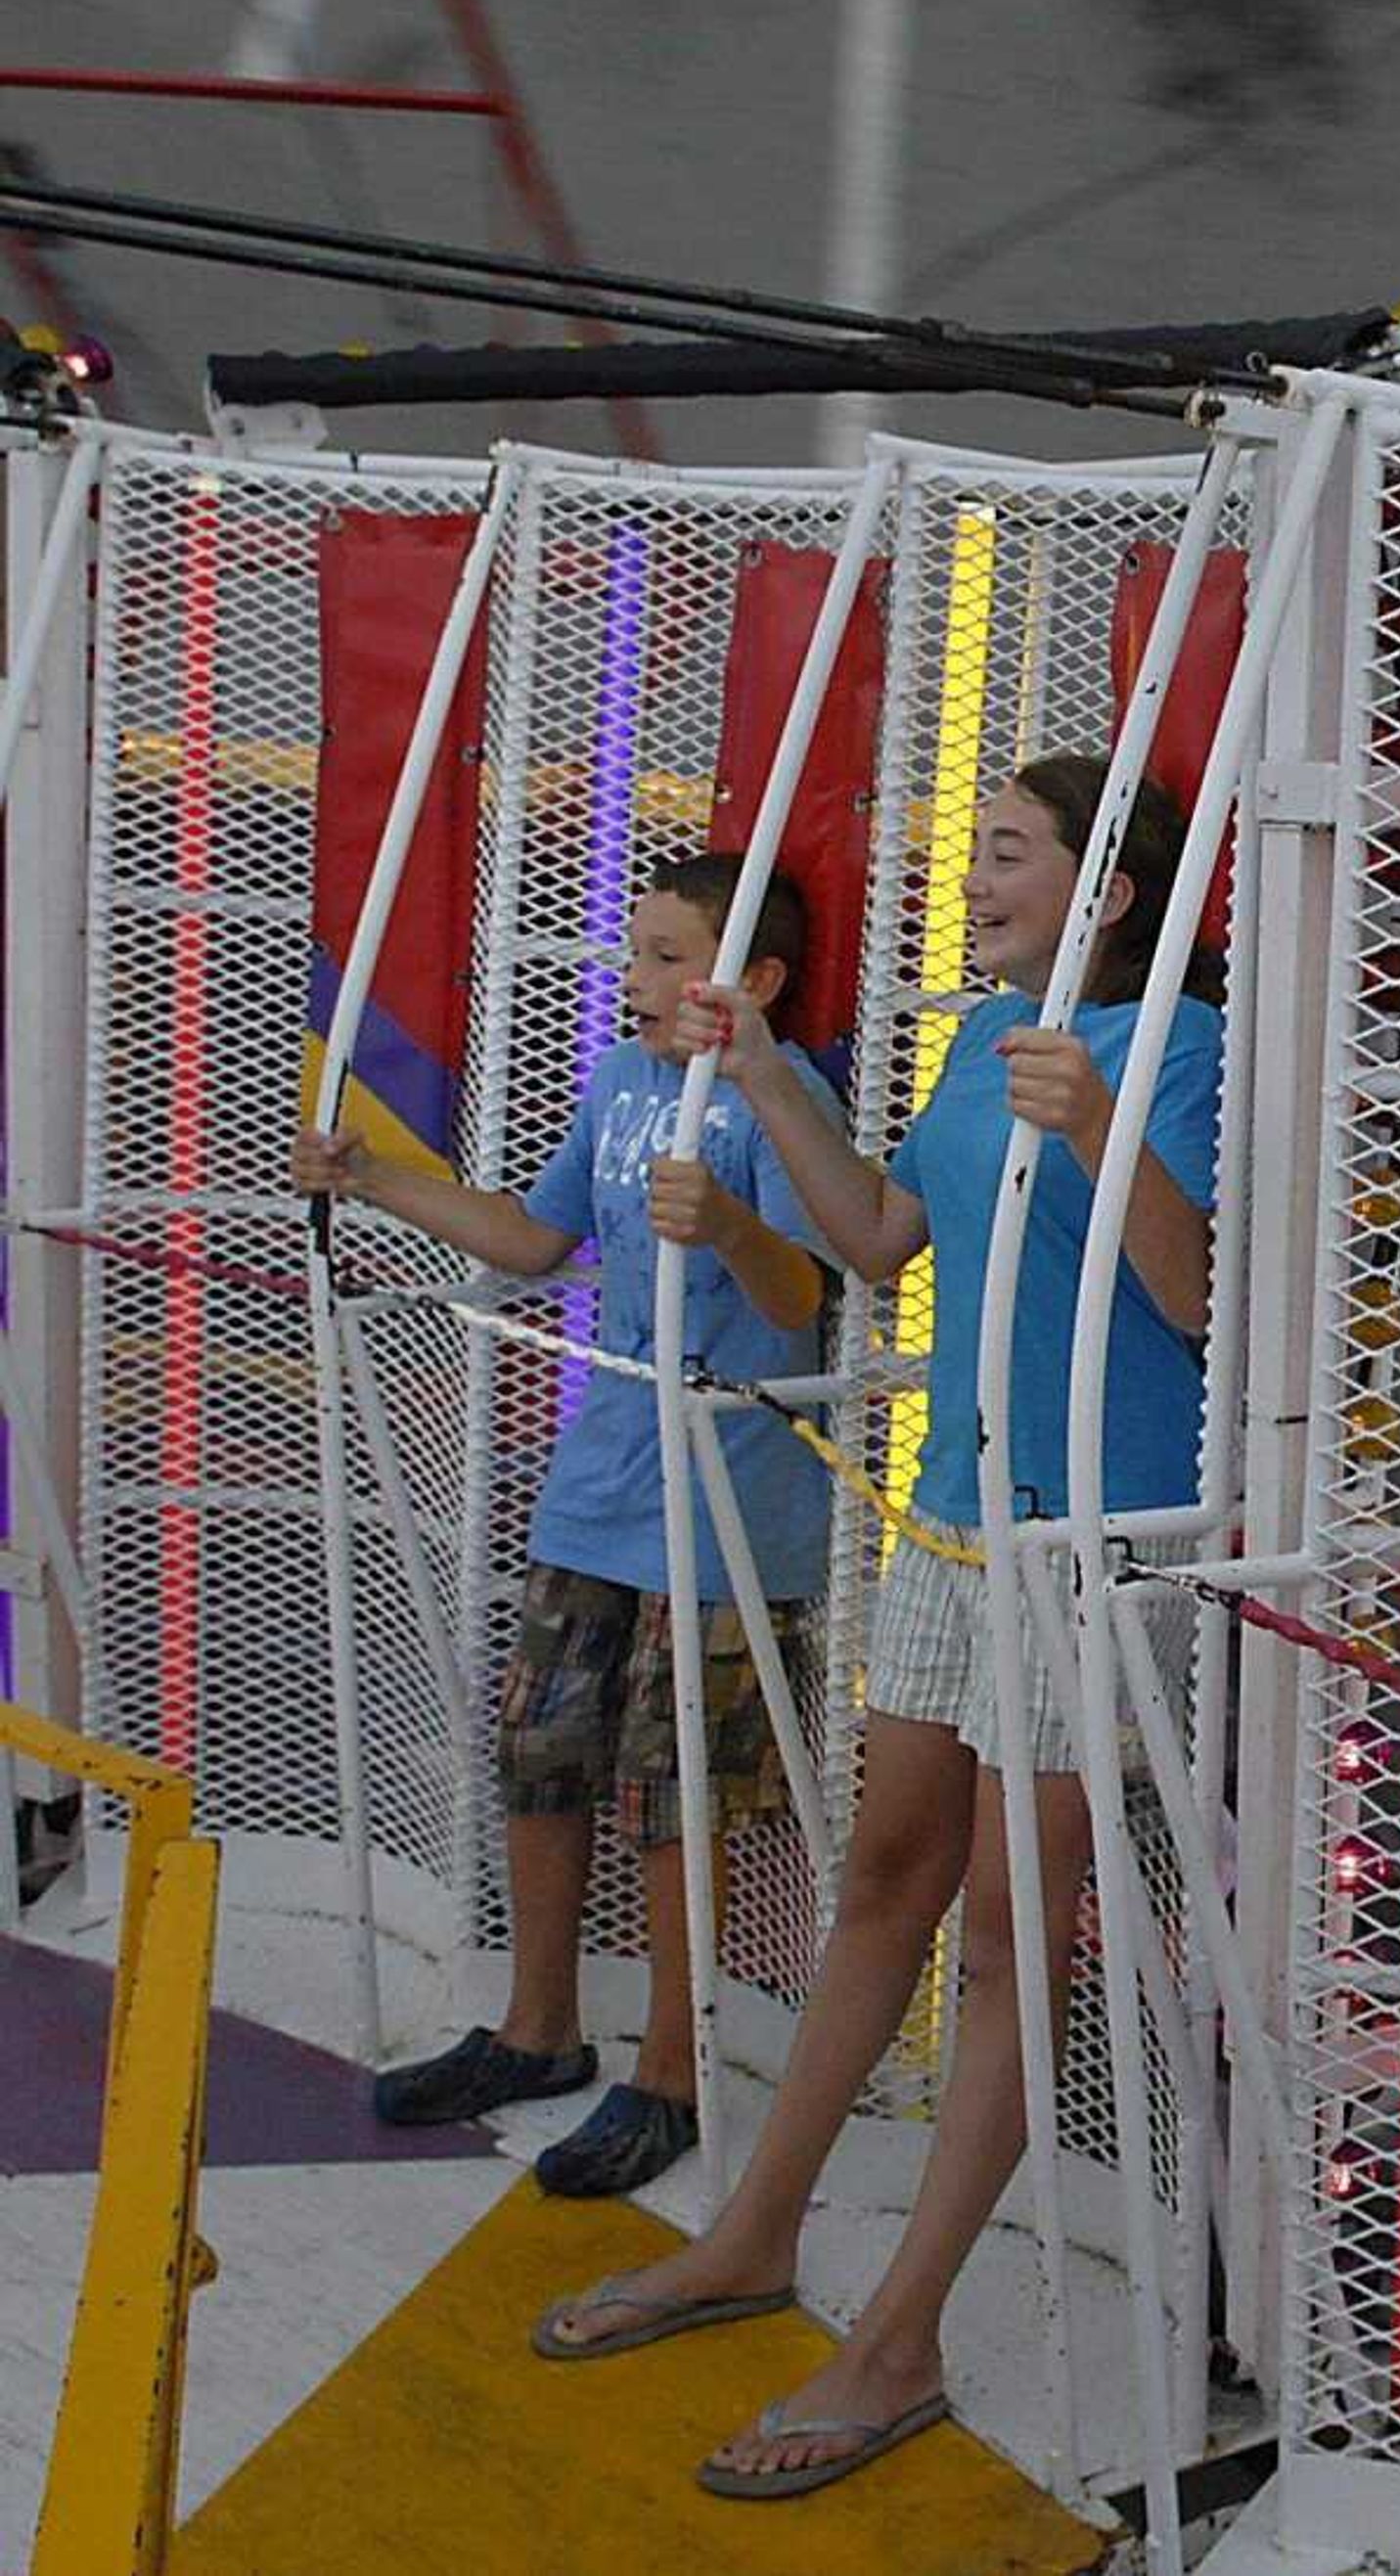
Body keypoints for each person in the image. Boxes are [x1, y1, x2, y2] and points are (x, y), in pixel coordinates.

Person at [530, 754, 1225, 2506]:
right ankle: (754, 2232)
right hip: (953, 1528)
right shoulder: (981, 1042)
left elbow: (1203, 1298)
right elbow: (880, 1242)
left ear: (1108, 889)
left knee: (1005, 1931)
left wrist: (1099, 1127)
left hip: (1090, 1547)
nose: (968, 873)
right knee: (882, 1879)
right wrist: (759, 1072)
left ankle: (900, 2335)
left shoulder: (1190, 1052)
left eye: (1005, 852)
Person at [296, 853, 838, 2199]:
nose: (637, 979)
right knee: (541, 1748)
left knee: (679, 1796)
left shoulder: (781, 1100)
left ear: (753, 981)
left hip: (724, 1504)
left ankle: (673, 2067)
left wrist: (723, 1221)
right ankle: (538, 2025)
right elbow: (535, 1243)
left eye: (667, 955)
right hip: (600, 1484)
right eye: (636, 951)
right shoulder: (615, 1085)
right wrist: (373, 1179)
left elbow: (798, 1301)